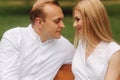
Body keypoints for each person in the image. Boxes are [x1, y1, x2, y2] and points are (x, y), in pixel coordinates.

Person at [0, 0, 75, 80]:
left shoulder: (65, 46)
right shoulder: (14, 37)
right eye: (57, 21)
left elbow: (83, 65)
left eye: (62, 20)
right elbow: (8, 77)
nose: (62, 25)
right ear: (39, 22)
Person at [72, 0, 120, 80]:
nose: (74, 25)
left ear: (91, 19)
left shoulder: (113, 52)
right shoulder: (82, 43)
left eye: (78, 19)